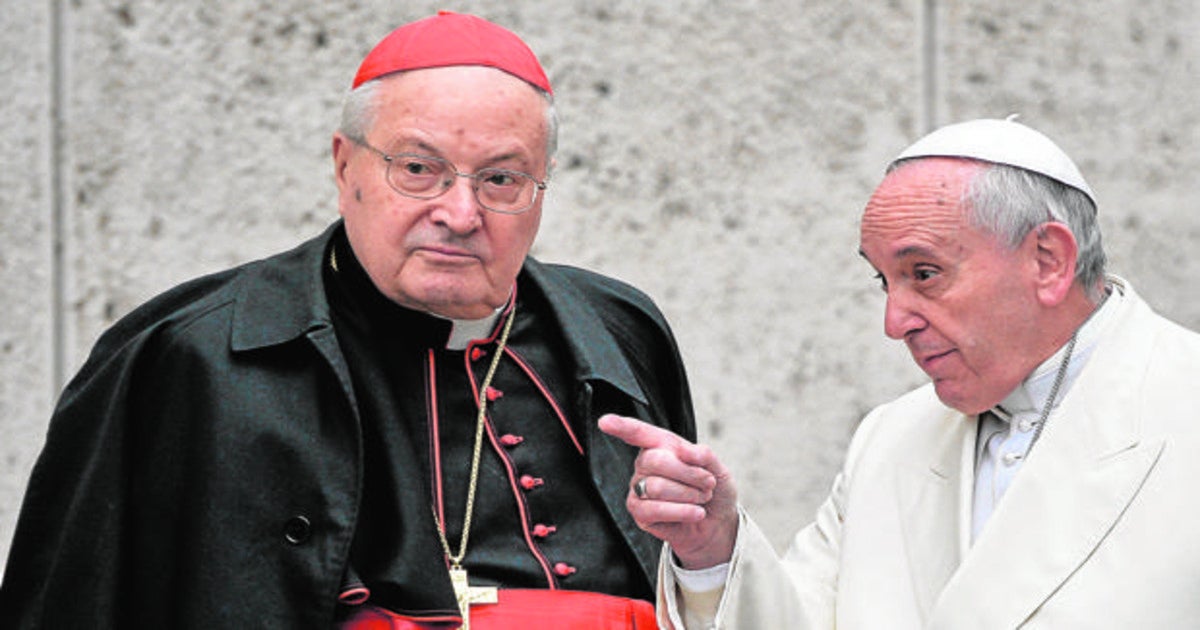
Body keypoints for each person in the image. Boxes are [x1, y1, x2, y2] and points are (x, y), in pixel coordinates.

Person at [0, 11, 694, 629]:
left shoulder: (619, 328)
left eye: (501, 179)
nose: (460, 213)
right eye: (419, 168)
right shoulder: (186, 353)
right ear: (344, 166)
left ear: (540, 189)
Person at [601, 118, 1200, 629]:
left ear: (1048, 261)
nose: (895, 321)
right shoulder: (889, 439)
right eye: (883, 281)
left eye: (925, 273)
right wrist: (712, 547)